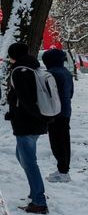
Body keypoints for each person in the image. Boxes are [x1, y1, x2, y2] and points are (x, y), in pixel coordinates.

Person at [6, 42, 49, 214]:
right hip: (33, 121)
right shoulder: (33, 67)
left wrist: (23, 114)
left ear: (13, 55)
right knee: (21, 156)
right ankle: (35, 191)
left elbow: (25, 99)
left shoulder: (20, 71)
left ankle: (39, 201)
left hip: (27, 123)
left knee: (30, 162)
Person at [42, 49, 74, 183]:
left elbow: (45, 94)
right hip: (66, 111)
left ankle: (62, 171)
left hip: (55, 112)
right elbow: (71, 92)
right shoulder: (66, 72)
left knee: (57, 142)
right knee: (65, 140)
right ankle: (64, 169)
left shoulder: (51, 74)